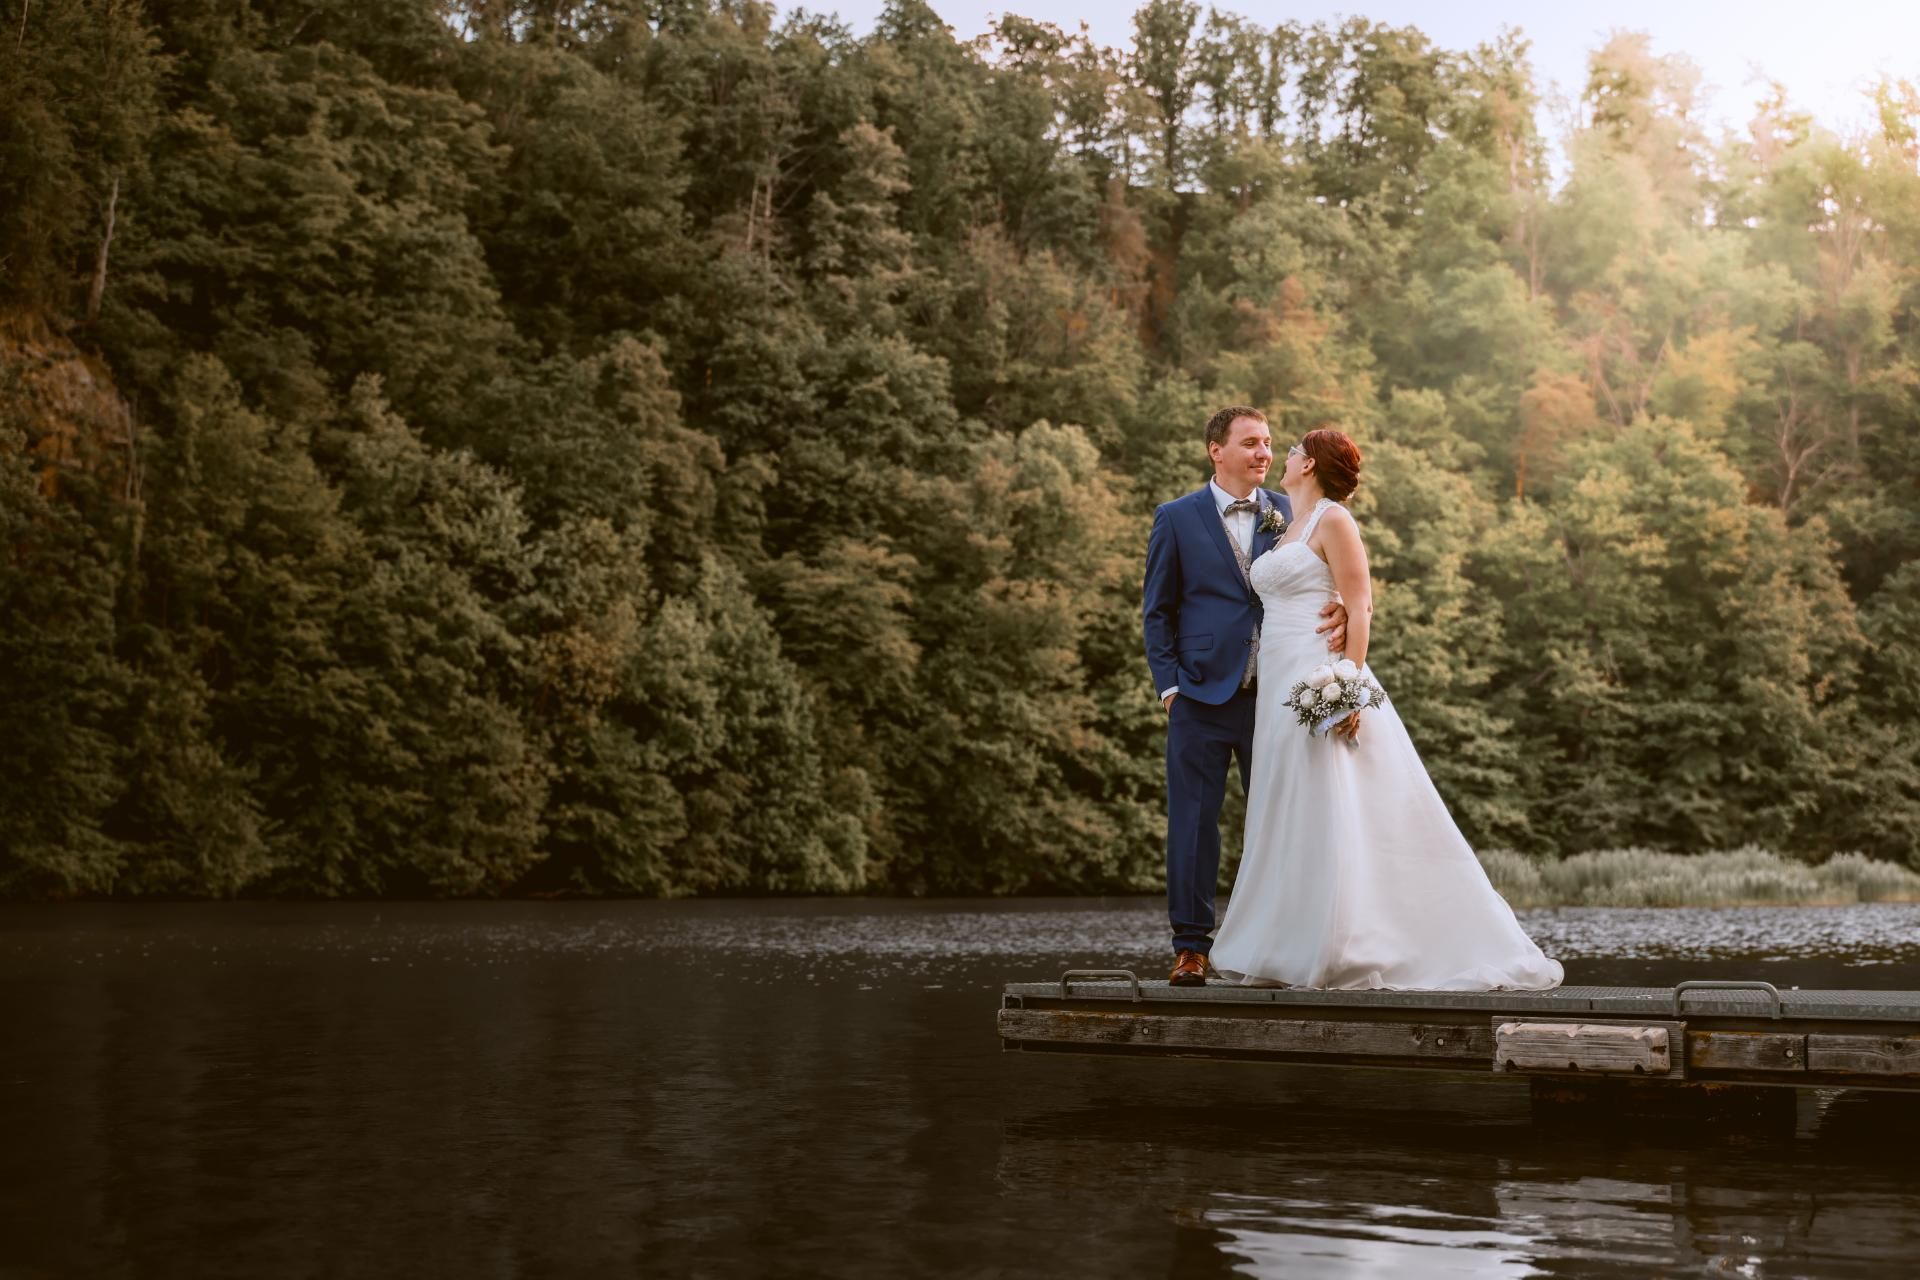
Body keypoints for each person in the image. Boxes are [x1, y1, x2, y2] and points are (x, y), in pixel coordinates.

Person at [1207, 427, 1563, 991]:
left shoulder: (1334, 521)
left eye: (1294, 449)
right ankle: (1283, 947)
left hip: (1318, 673)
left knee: (1333, 800)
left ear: (1312, 465)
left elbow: (1360, 603)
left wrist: (1347, 682)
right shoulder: (1287, 526)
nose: (1285, 456)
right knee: (1285, 803)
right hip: (1277, 681)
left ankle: (1341, 945)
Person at [1142, 407, 1347, 987]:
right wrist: (1171, 688)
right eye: (1251, 443)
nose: (1263, 453)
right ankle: (1190, 948)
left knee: (1285, 819)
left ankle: (1286, 944)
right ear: (1216, 450)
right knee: (1193, 823)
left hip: (1279, 697)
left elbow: (1332, 579)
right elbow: (1157, 611)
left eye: (1269, 444)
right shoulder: (1176, 518)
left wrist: (1338, 611)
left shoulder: (1293, 512)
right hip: (1201, 696)